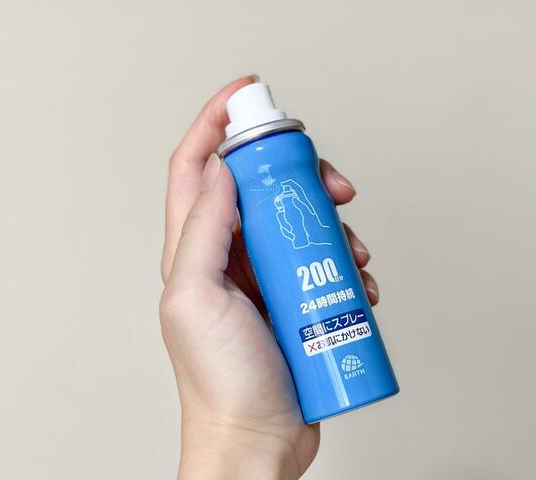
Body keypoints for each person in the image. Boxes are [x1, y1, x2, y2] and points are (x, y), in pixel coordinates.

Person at [159, 75, 380, 479]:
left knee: (315, 240)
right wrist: (247, 432)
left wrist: (248, 439)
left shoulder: (283, 150)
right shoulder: (241, 165)